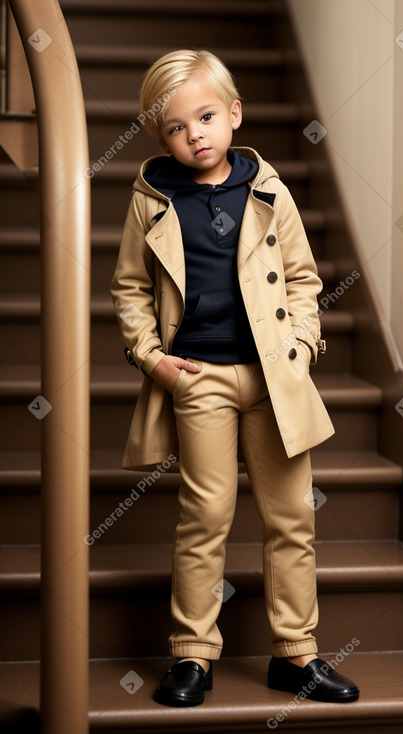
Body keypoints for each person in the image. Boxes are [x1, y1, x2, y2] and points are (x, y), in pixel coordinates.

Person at [111, 49, 359, 708]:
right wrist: (154, 360)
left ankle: (296, 655)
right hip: (200, 378)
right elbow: (130, 290)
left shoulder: (268, 190)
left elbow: (304, 279)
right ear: (159, 137)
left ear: (234, 115)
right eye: (175, 126)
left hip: (275, 377)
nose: (194, 133)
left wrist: (303, 345)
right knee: (205, 517)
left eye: (207, 116)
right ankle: (192, 656)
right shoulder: (152, 200)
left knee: (289, 521)